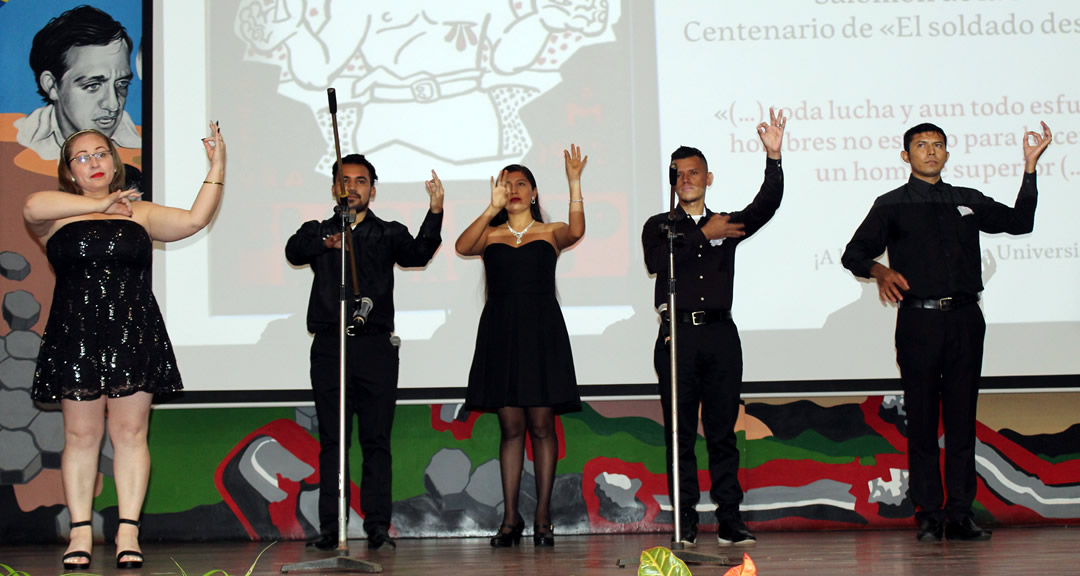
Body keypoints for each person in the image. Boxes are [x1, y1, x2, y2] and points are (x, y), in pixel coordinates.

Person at [22, 122, 225, 570]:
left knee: (131, 433)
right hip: (75, 332)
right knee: (80, 435)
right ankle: (80, 531)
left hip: (133, 330)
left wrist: (218, 166)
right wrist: (98, 203)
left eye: (102, 153)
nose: (94, 161)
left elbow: (194, 219)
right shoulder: (57, 212)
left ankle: (128, 531)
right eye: (83, 156)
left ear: (114, 163)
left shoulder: (139, 212)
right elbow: (31, 206)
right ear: (70, 171)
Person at [841, 121, 1053, 542]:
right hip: (919, 321)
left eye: (938, 145)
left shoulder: (967, 199)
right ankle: (928, 514)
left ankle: (960, 513)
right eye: (921, 145)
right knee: (921, 420)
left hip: (965, 320)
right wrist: (880, 269)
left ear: (947, 154)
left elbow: (1020, 222)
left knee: (961, 421)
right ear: (907, 156)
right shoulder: (891, 204)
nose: (931, 151)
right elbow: (854, 253)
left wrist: (1029, 169)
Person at [641, 109, 787, 547]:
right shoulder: (660, 226)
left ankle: (729, 520)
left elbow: (767, 206)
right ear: (672, 182)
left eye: (694, 172)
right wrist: (705, 234)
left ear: (708, 178)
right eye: (678, 174)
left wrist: (774, 159)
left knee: (723, 433)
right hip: (677, 339)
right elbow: (655, 262)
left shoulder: (728, 221)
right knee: (680, 435)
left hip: (721, 337)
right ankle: (685, 523)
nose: (686, 179)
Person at [285, 154, 444, 551]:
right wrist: (327, 241)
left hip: (374, 347)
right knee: (332, 442)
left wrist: (435, 211)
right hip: (329, 346)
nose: (352, 187)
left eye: (360, 181)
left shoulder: (388, 232)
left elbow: (418, 253)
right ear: (334, 188)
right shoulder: (318, 230)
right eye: (345, 180)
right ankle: (329, 529)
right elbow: (294, 250)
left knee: (376, 440)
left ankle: (377, 527)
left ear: (372, 189)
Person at [455, 145, 587, 548]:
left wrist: (575, 182)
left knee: (542, 425)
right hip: (501, 332)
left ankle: (543, 516)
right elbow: (462, 246)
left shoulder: (549, 232)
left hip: (541, 333)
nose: (513, 189)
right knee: (511, 426)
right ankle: (510, 518)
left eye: (520, 183)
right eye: (506, 183)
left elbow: (576, 231)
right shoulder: (490, 234)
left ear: (534, 193)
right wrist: (487, 207)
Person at [15, 5, 141, 161]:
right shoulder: (15, 144)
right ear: (51, 85)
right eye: (93, 86)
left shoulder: (143, 145)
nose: (113, 105)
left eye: (121, 84)